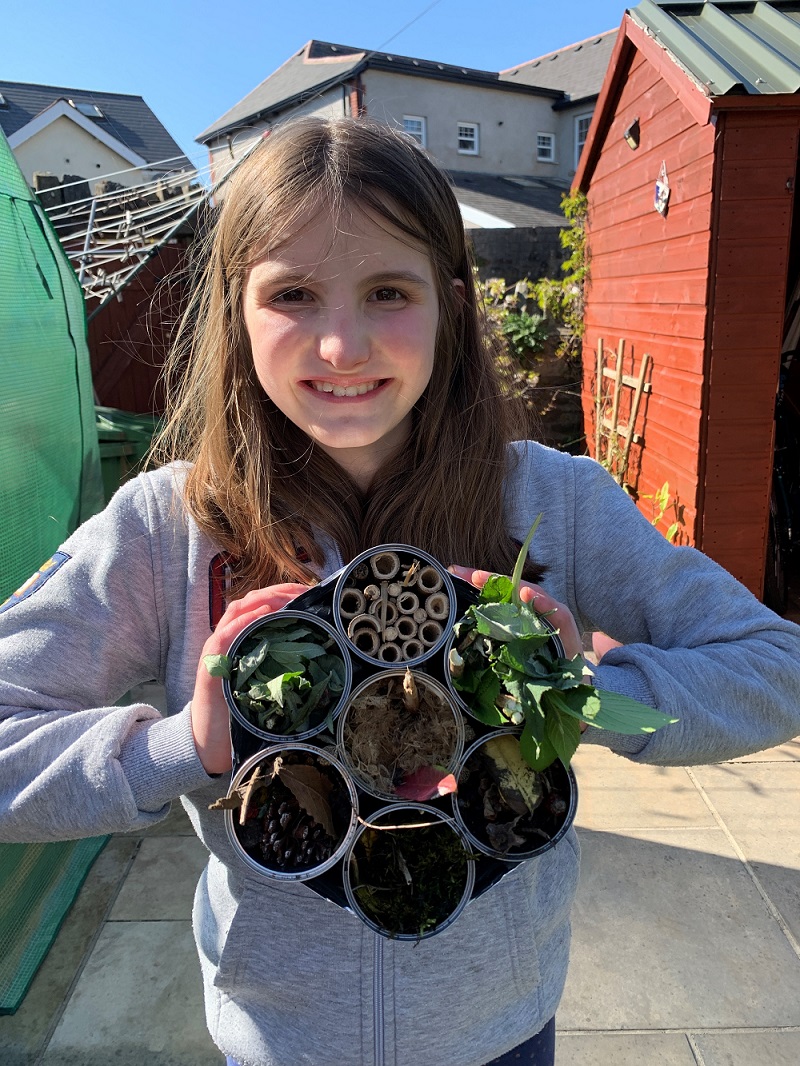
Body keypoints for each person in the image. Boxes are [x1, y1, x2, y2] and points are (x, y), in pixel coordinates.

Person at [1, 116, 799, 1066]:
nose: (342, 345)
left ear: (450, 307)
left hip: (498, 1030)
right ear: (235, 311)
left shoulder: (555, 500)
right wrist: (188, 745)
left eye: (389, 291)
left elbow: (773, 664)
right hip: (280, 1038)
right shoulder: (169, 526)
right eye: (293, 294)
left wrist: (578, 700)